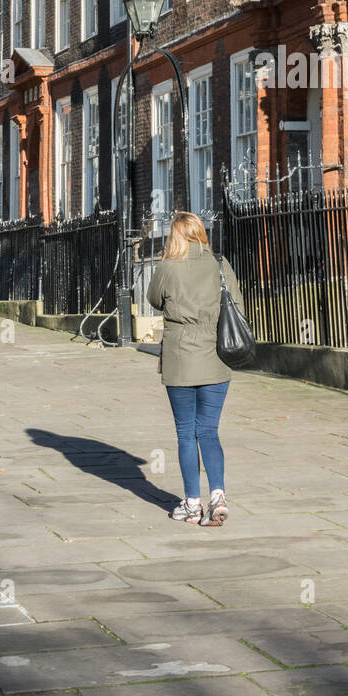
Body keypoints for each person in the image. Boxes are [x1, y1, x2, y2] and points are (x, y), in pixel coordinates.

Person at [146, 212, 245, 527]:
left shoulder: (167, 267)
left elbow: (153, 300)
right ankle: (218, 495)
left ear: (174, 236)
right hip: (216, 358)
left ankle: (191, 504)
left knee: (186, 432)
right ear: (201, 233)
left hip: (180, 362)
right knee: (210, 431)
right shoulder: (220, 265)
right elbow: (238, 307)